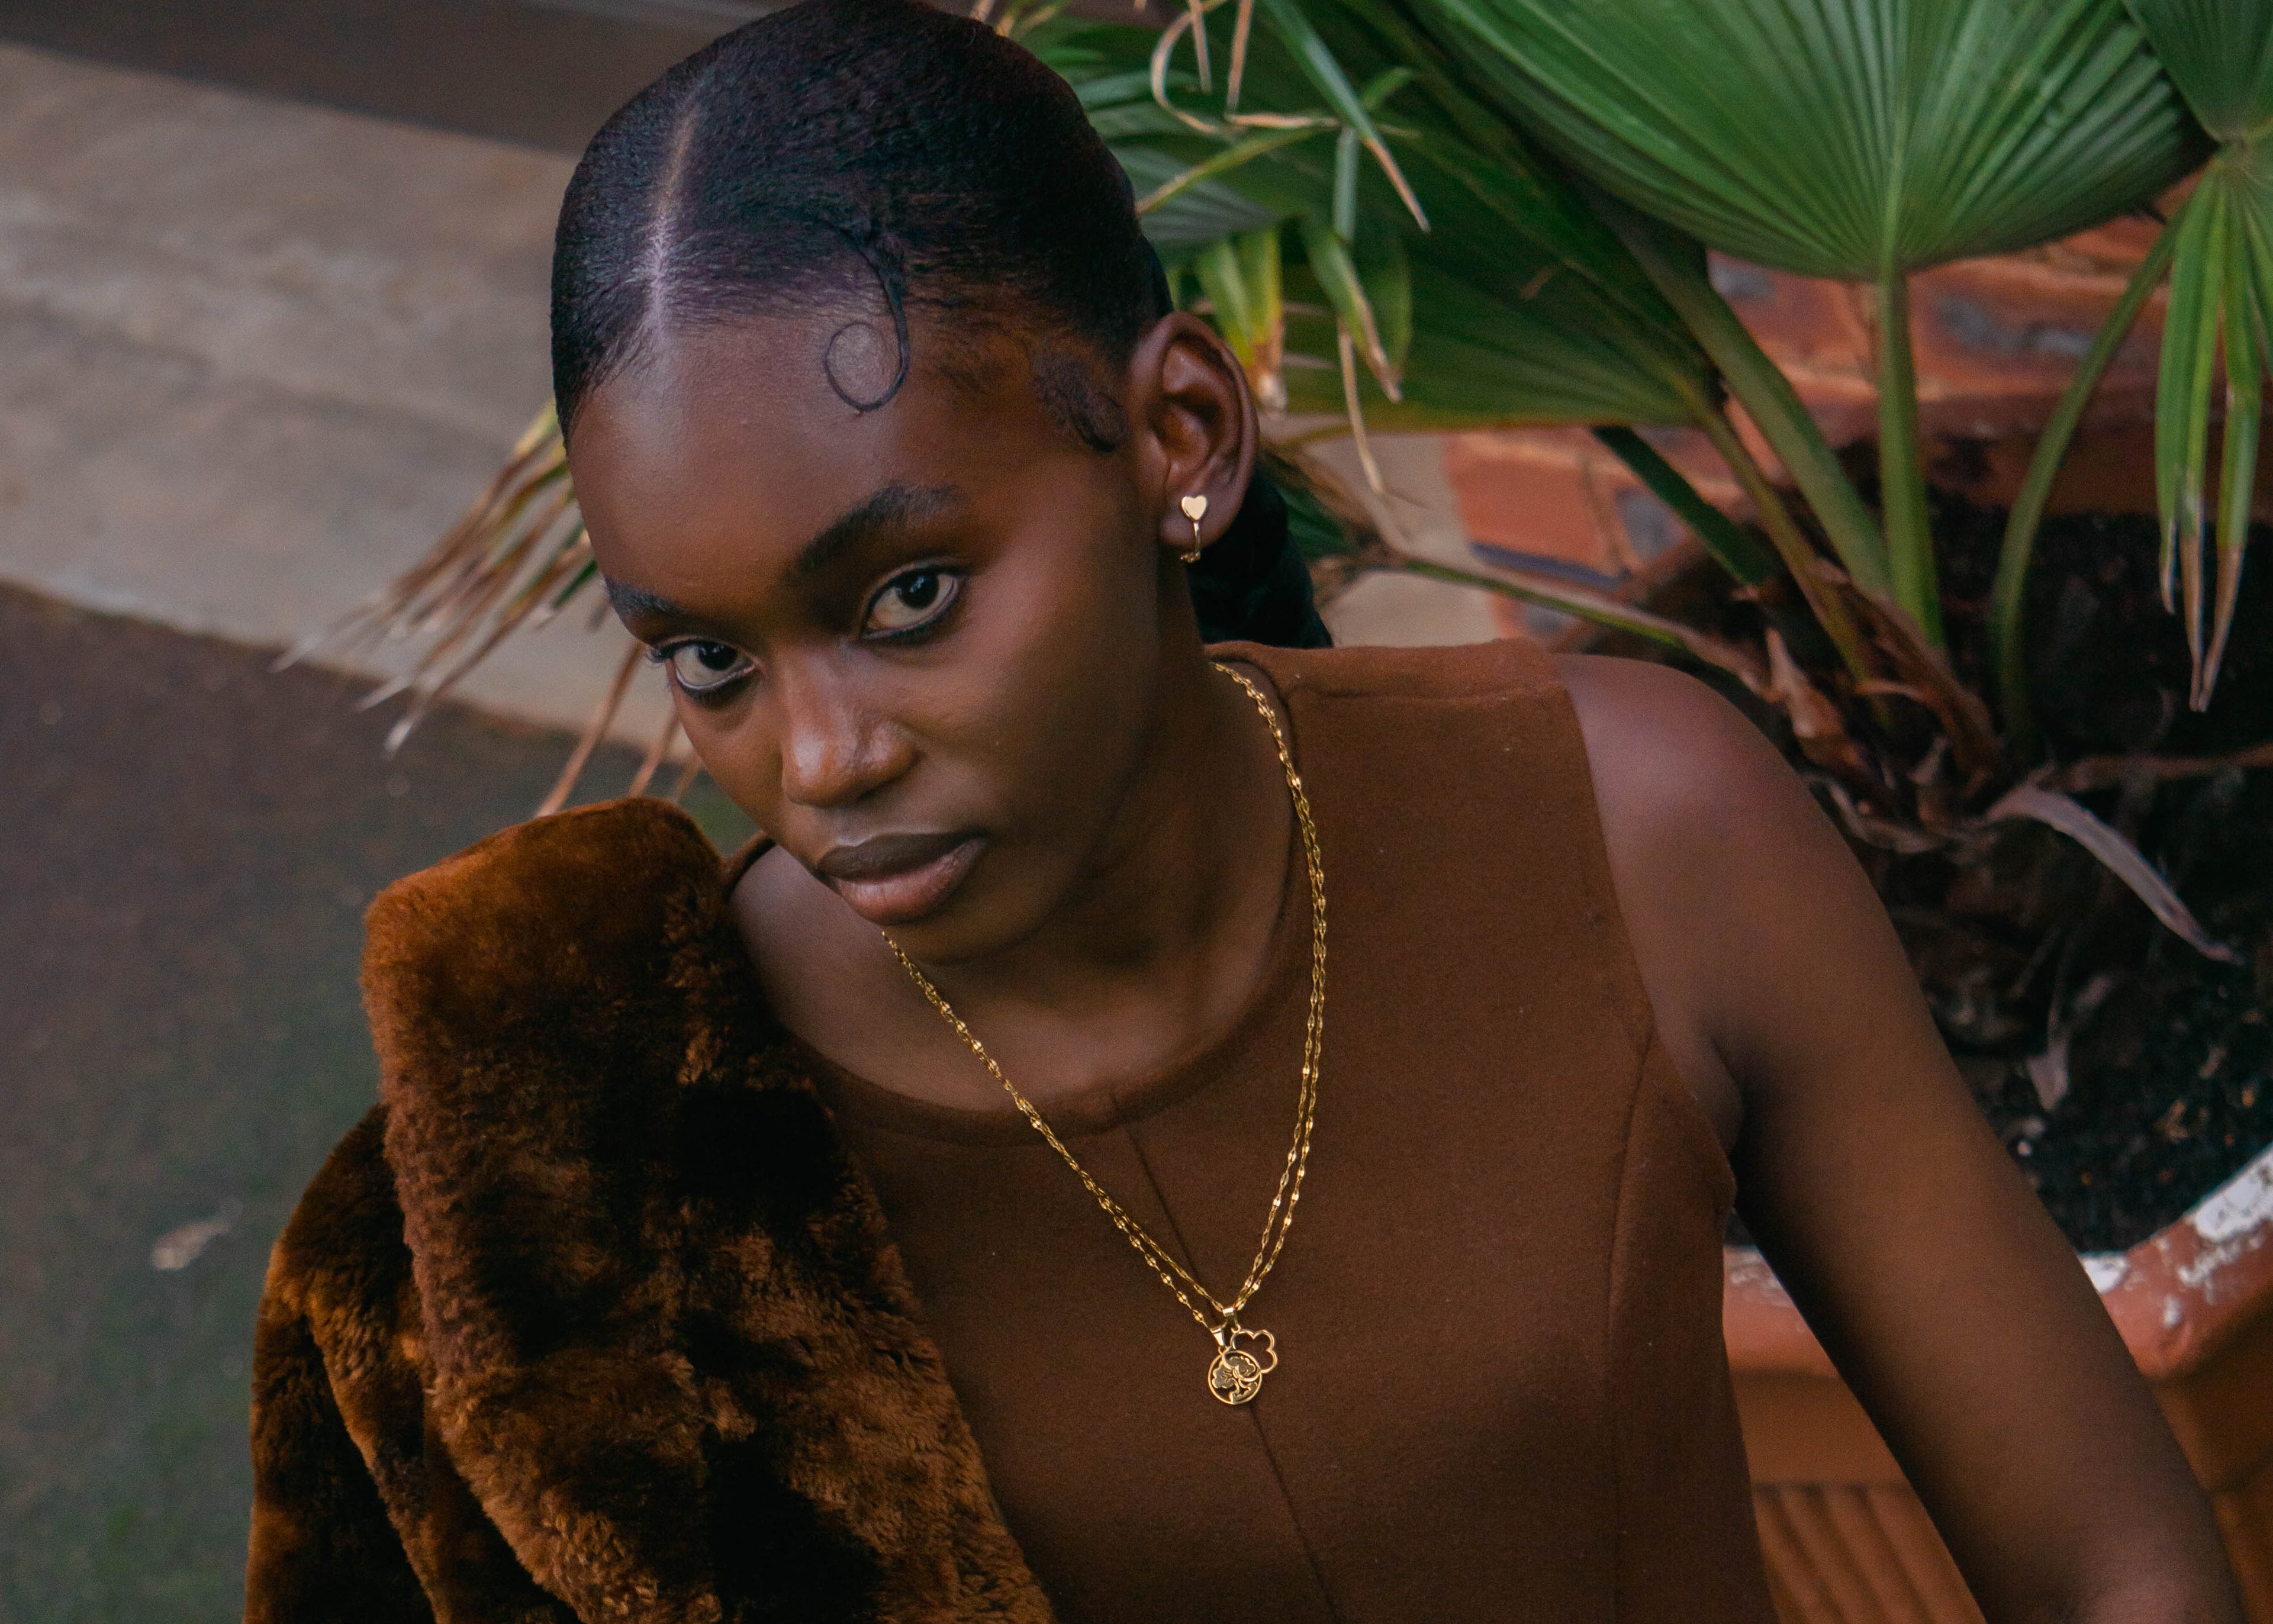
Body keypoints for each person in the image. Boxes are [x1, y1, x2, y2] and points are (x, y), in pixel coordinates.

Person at [242, 4, 2242, 1621]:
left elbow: (2110, 1563)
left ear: (1179, 438)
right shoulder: (623, 1137)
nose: (826, 754)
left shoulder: (1643, 827)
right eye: (712, 662)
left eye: (909, 595)